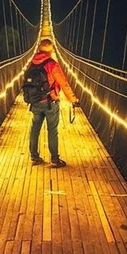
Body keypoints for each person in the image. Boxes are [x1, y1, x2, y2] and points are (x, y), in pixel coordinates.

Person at [27, 39, 80, 168]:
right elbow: (63, 83)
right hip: (51, 102)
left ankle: (34, 157)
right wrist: (73, 99)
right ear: (51, 50)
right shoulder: (52, 64)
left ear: (39, 49)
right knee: (52, 130)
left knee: (35, 129)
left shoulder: (32, 63)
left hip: (35, 102)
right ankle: (55, 160)